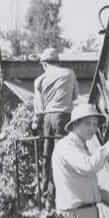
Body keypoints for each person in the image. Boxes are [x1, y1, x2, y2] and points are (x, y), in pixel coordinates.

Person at [32, 48, 79, 194]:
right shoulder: (69, 73)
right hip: (64, 116)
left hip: (47, 118)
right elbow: (75, 96)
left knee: (48, 153)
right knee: (63, 153)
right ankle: (63, 188)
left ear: (44, 64)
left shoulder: (39, 80)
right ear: (58, 62)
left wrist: (35, 123)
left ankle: (45, 187)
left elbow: (38, 108)